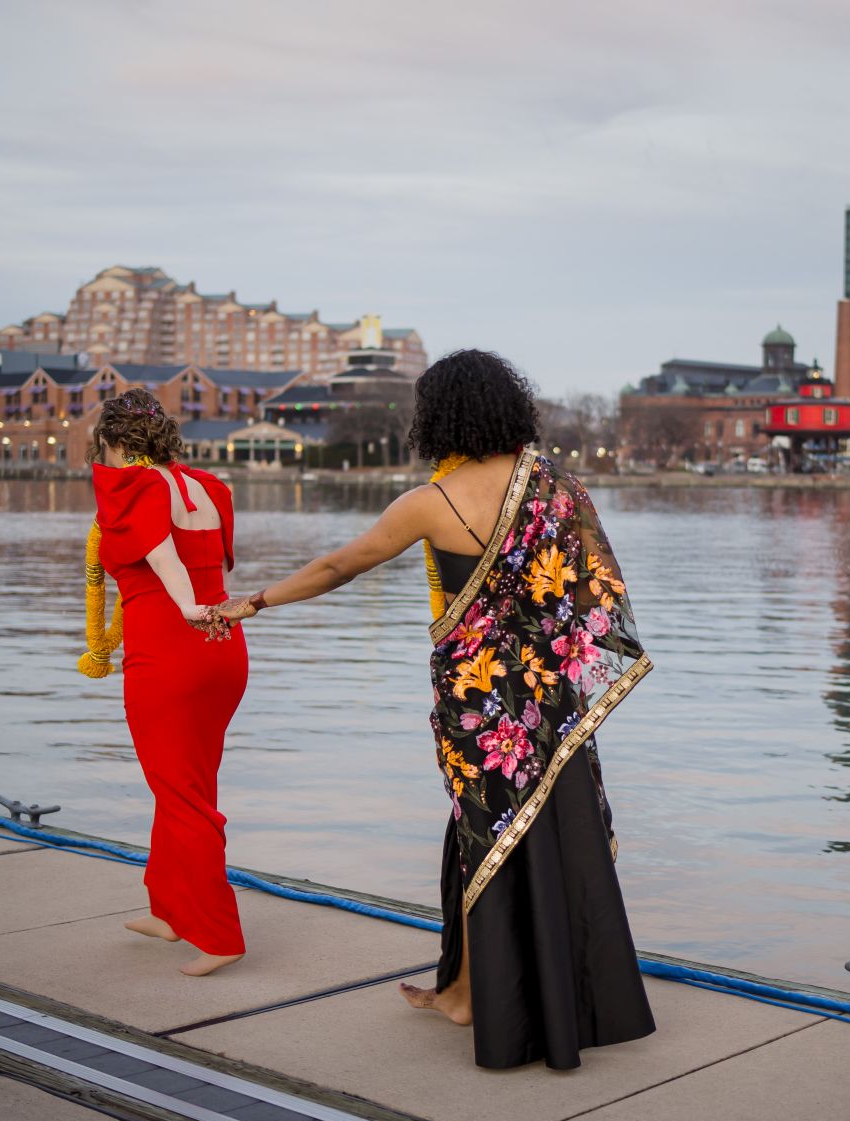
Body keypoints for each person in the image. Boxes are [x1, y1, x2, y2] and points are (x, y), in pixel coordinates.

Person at [219, 350, 656, 1069]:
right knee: (543, 839)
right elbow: (586, 597)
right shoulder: (556, 485)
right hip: (551, 700)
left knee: (483, 836)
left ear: (439, 417)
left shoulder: (433, 500)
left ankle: (466, 998)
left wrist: (253, 602)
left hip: (480, 702)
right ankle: (477, 990)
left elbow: (339, 567)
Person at [84, 387, 249, 977]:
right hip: (224, 652)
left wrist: (184, 608)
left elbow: (160, 553)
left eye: (104, 448)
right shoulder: (205, 485)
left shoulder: (133, 485)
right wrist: (201, 610)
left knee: (181, 795)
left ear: (118, 443)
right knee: (185, 783)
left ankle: (218, 933)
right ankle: (171, 910)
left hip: (170, 650)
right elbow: (210, 559)